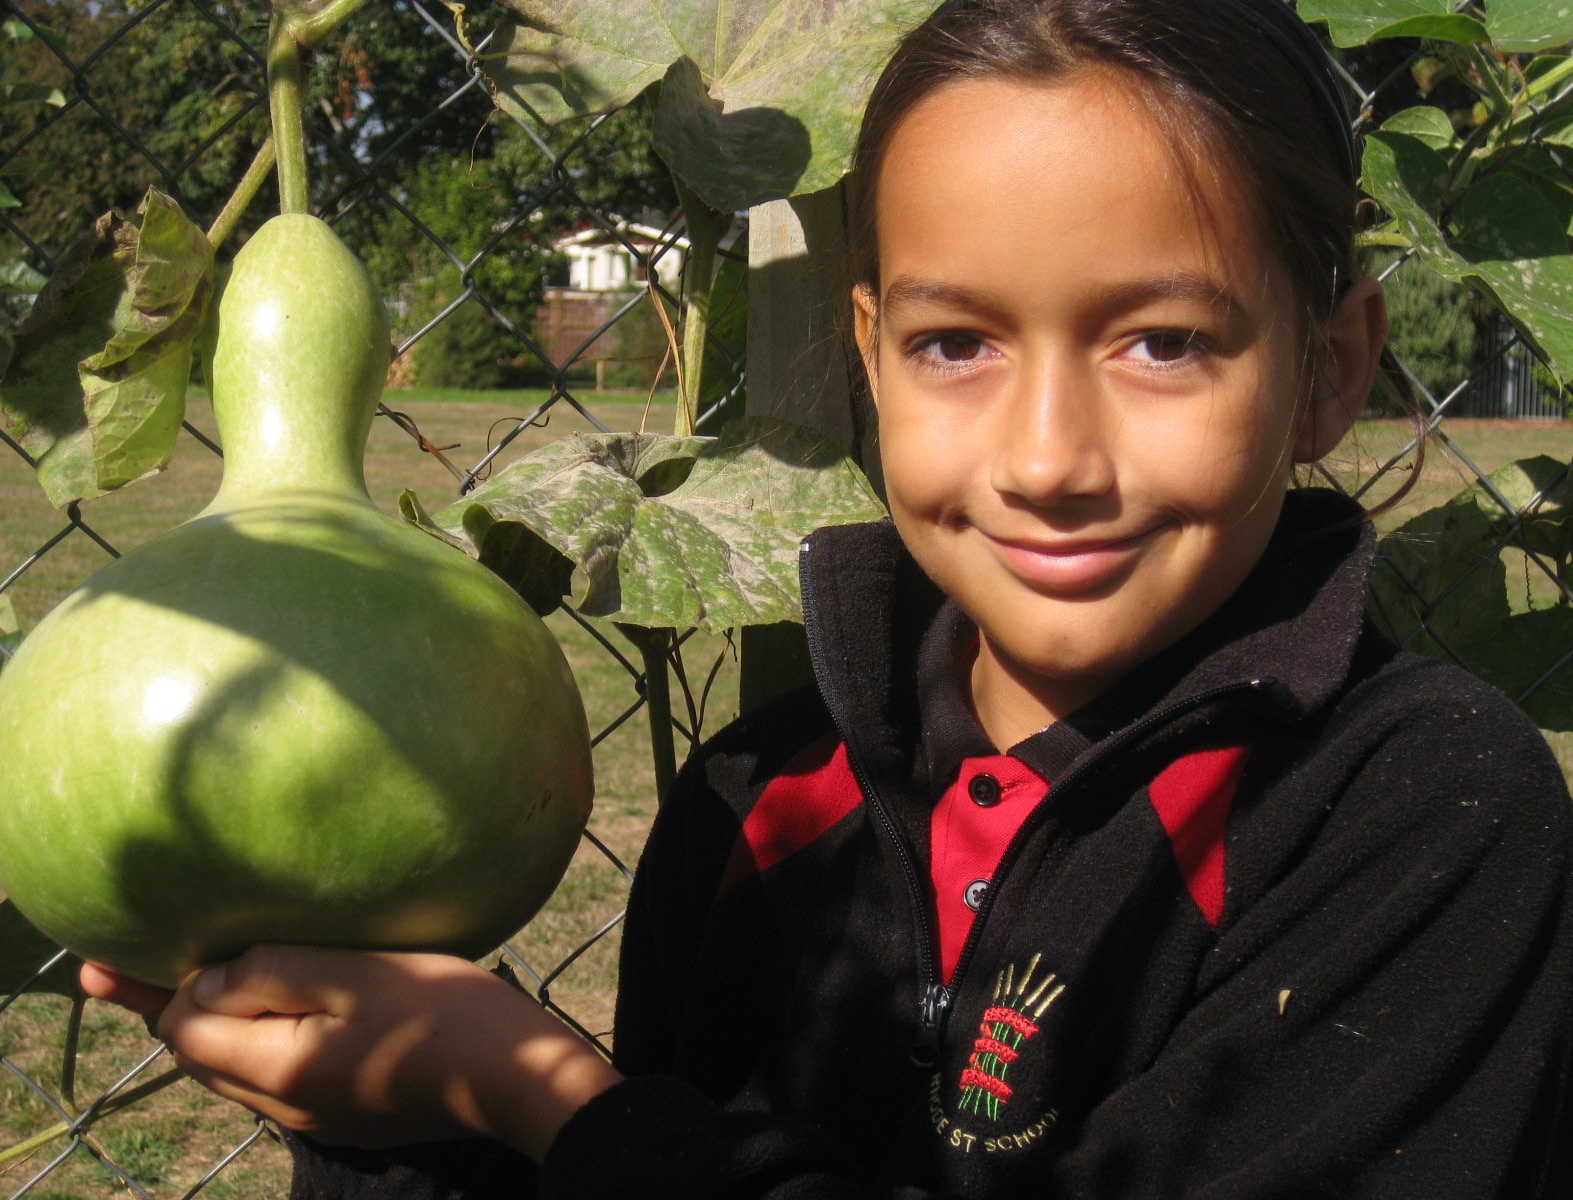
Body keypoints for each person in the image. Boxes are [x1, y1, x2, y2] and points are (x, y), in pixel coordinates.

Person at [82, 0, 1573, 1195]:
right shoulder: (749, 804)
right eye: (955, 346)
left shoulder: (1424, 814)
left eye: (1165, 342)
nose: (1049, 461)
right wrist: (380, 1114)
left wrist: (540, 1098)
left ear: (1332, 367)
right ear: (869, 356)